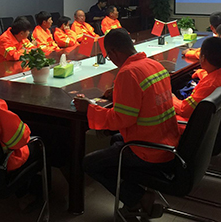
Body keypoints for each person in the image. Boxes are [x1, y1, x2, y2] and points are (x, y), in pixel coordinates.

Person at [74, 29, 179, 216]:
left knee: (90, 163)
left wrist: (89, 108)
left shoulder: (128, 73)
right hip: (168, 142)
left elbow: (120, 119)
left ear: (113, 52)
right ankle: (134, 194)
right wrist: (118, 93)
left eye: (109, 56)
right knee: (115, 140)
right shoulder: (154, 64)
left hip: (148, 150)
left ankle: (138, 197)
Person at [173, 36, 221, 122]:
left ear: (202, 58)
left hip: (195, 124)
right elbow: (212, 77)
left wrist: (170, 97)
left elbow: (183, 110)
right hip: (218, 121)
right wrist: (200, 72)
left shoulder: (209, 85)